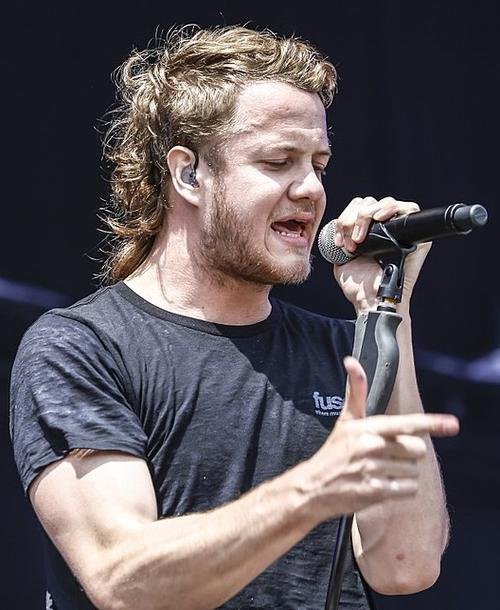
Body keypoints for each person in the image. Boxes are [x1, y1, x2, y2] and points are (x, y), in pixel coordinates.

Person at [10, 25, 459, 610]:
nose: (311, 189)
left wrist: (386, 311)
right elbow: (124, 580)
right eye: (278, 161)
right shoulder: (83, 347)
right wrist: (314, 488)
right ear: (188, 174)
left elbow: (406, 566)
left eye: (319, 165)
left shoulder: (346, 349)